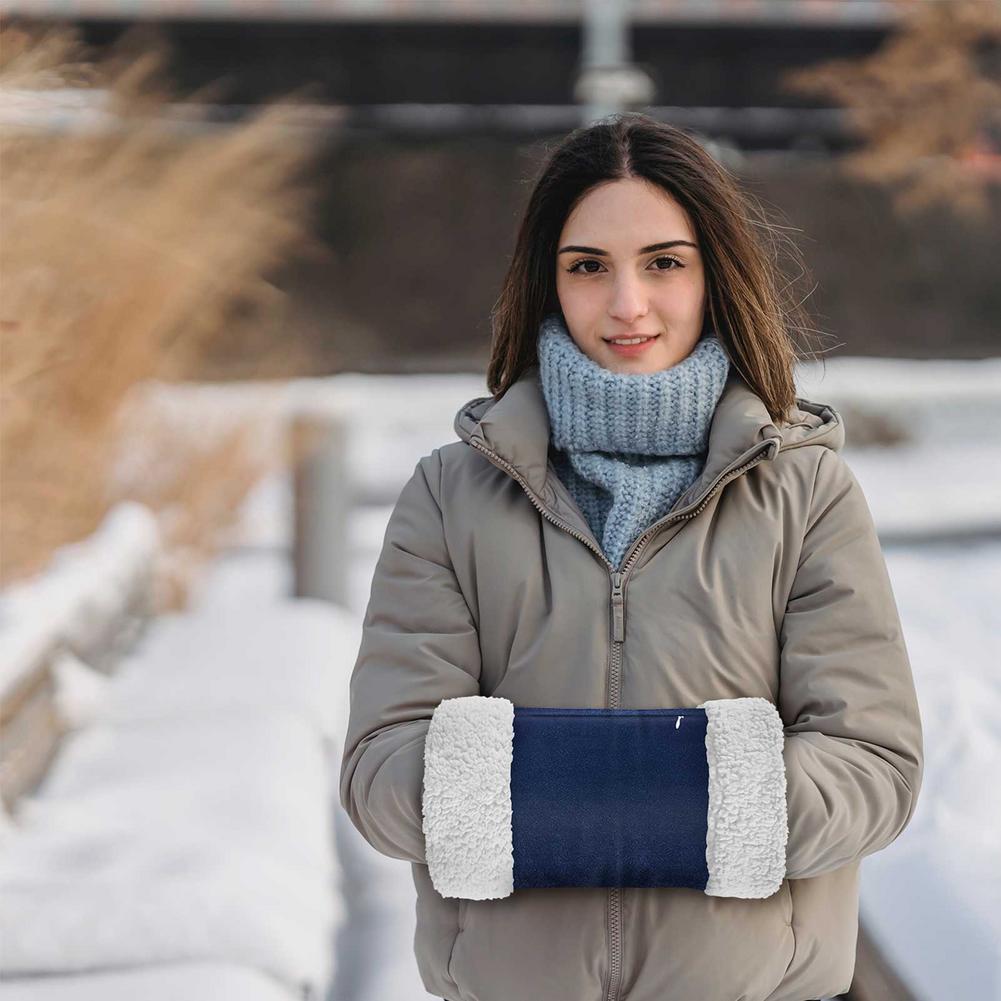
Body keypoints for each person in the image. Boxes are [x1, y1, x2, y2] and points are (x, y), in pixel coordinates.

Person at [339, 113, 923, 1001]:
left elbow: (872, 765)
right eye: (587, 267)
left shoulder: (807, 495)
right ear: (547, 282)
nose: (626, 305)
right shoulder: (449, 497)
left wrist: (559, 795)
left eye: (662, 262)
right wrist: (683, 789)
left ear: (712, 274)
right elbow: (382, 771)